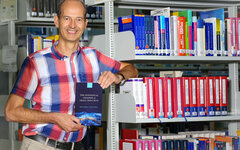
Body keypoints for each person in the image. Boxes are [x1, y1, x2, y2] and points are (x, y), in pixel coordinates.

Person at [4, 0, 138, 150]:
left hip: (77, 146)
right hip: (41, 145)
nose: (73, 25)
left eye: (78, 19)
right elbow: (11, 112)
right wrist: (54, 117)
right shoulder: (35, 62)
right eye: (67, 18)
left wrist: (118, 76)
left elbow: (132, 69)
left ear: (85, 23)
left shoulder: (93, 57)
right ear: (57, 21)